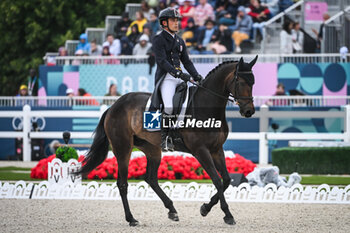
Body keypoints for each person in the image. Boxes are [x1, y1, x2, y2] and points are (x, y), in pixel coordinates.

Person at [151, 7, 203, 151]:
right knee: (168, 107)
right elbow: (162, 61)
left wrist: (196, 76)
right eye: (173, 20)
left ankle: (178, 133)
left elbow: (187, 62)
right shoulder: (159, 39)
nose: (176, 23)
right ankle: (165, 139)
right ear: (164, 23)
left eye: (177, 20)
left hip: (179, 78)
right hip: (166, 78)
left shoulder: (180, 40)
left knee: (189, 104)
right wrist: (178, 74)